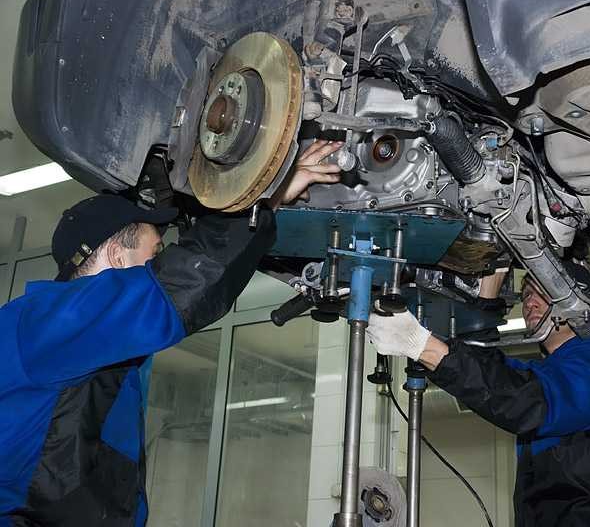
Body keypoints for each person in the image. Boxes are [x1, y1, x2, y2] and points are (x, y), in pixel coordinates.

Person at [0, 140, 342, 526]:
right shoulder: (44, 323)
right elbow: (179, 288)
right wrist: (265, 195)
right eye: (156, 253)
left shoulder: (92, 356)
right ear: (116, 256)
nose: (160, 263)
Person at [366, 265, 590, 527]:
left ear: (577, 301)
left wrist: (422, 346)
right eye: (526, 294)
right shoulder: (548, 374)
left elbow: (525, 401)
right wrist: (438, 343)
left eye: (542, 291)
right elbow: (498, 377)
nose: (529, 302)